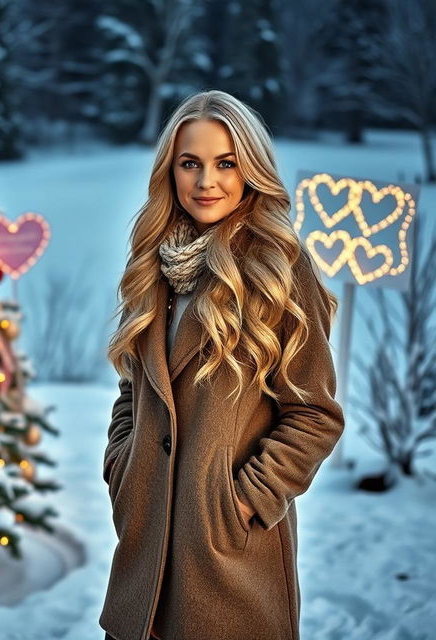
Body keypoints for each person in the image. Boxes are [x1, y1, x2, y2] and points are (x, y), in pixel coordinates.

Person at [99, 89, 345, 640]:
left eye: (225, 162)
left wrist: (242, 502)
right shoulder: (155, 264)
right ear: (172, 171)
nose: (206, 180)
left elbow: (314, 416)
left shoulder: (279, 268)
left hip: (229, 566)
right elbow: (134, 391)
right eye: (191, 163)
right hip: (143, 561)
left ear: (250, 168)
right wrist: (123, 466)